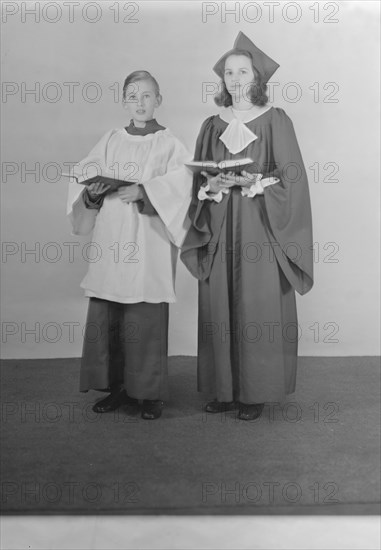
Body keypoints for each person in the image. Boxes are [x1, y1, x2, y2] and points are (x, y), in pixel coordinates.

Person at [180, 32, 314, 421]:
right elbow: (197, 180)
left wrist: (255, 183)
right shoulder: (211, 125)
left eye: (242, 71)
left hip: (260, 226)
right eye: (228, 73)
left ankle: (254, 393)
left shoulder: (275, 121)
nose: (235, 79)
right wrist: (213, 185)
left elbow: (293, 179)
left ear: (257, 78)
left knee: (256, 305)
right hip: (221, 224)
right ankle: (225, 390)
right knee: (220, 300)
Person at [66, 70, 192, 419]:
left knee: (144, 312)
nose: (140, 102)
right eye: (133, 96)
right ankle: (117, 387)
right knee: (111, 312)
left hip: (147, 238)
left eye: (147, 96)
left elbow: (184, 187)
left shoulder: (170, 143)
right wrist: (89, 193)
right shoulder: (109, 139)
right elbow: (84, 175)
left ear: (159, 100)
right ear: (124, 101)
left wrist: (147, 191)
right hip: (112, 235)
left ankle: (148, 394)